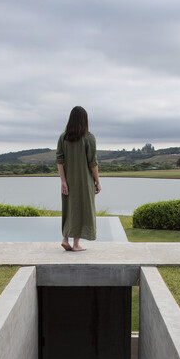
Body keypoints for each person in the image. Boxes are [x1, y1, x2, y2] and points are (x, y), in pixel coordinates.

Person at [56, 106, 101, 252]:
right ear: (84, 120)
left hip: (68, 181)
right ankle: (76, 244)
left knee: (69, 209)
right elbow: (92, 163)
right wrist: (98, 182)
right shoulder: (89, 138)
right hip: (84, 182)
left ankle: (65, 238)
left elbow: (59, 161)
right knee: (82, 209)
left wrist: (63, 181)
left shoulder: (63, 137)